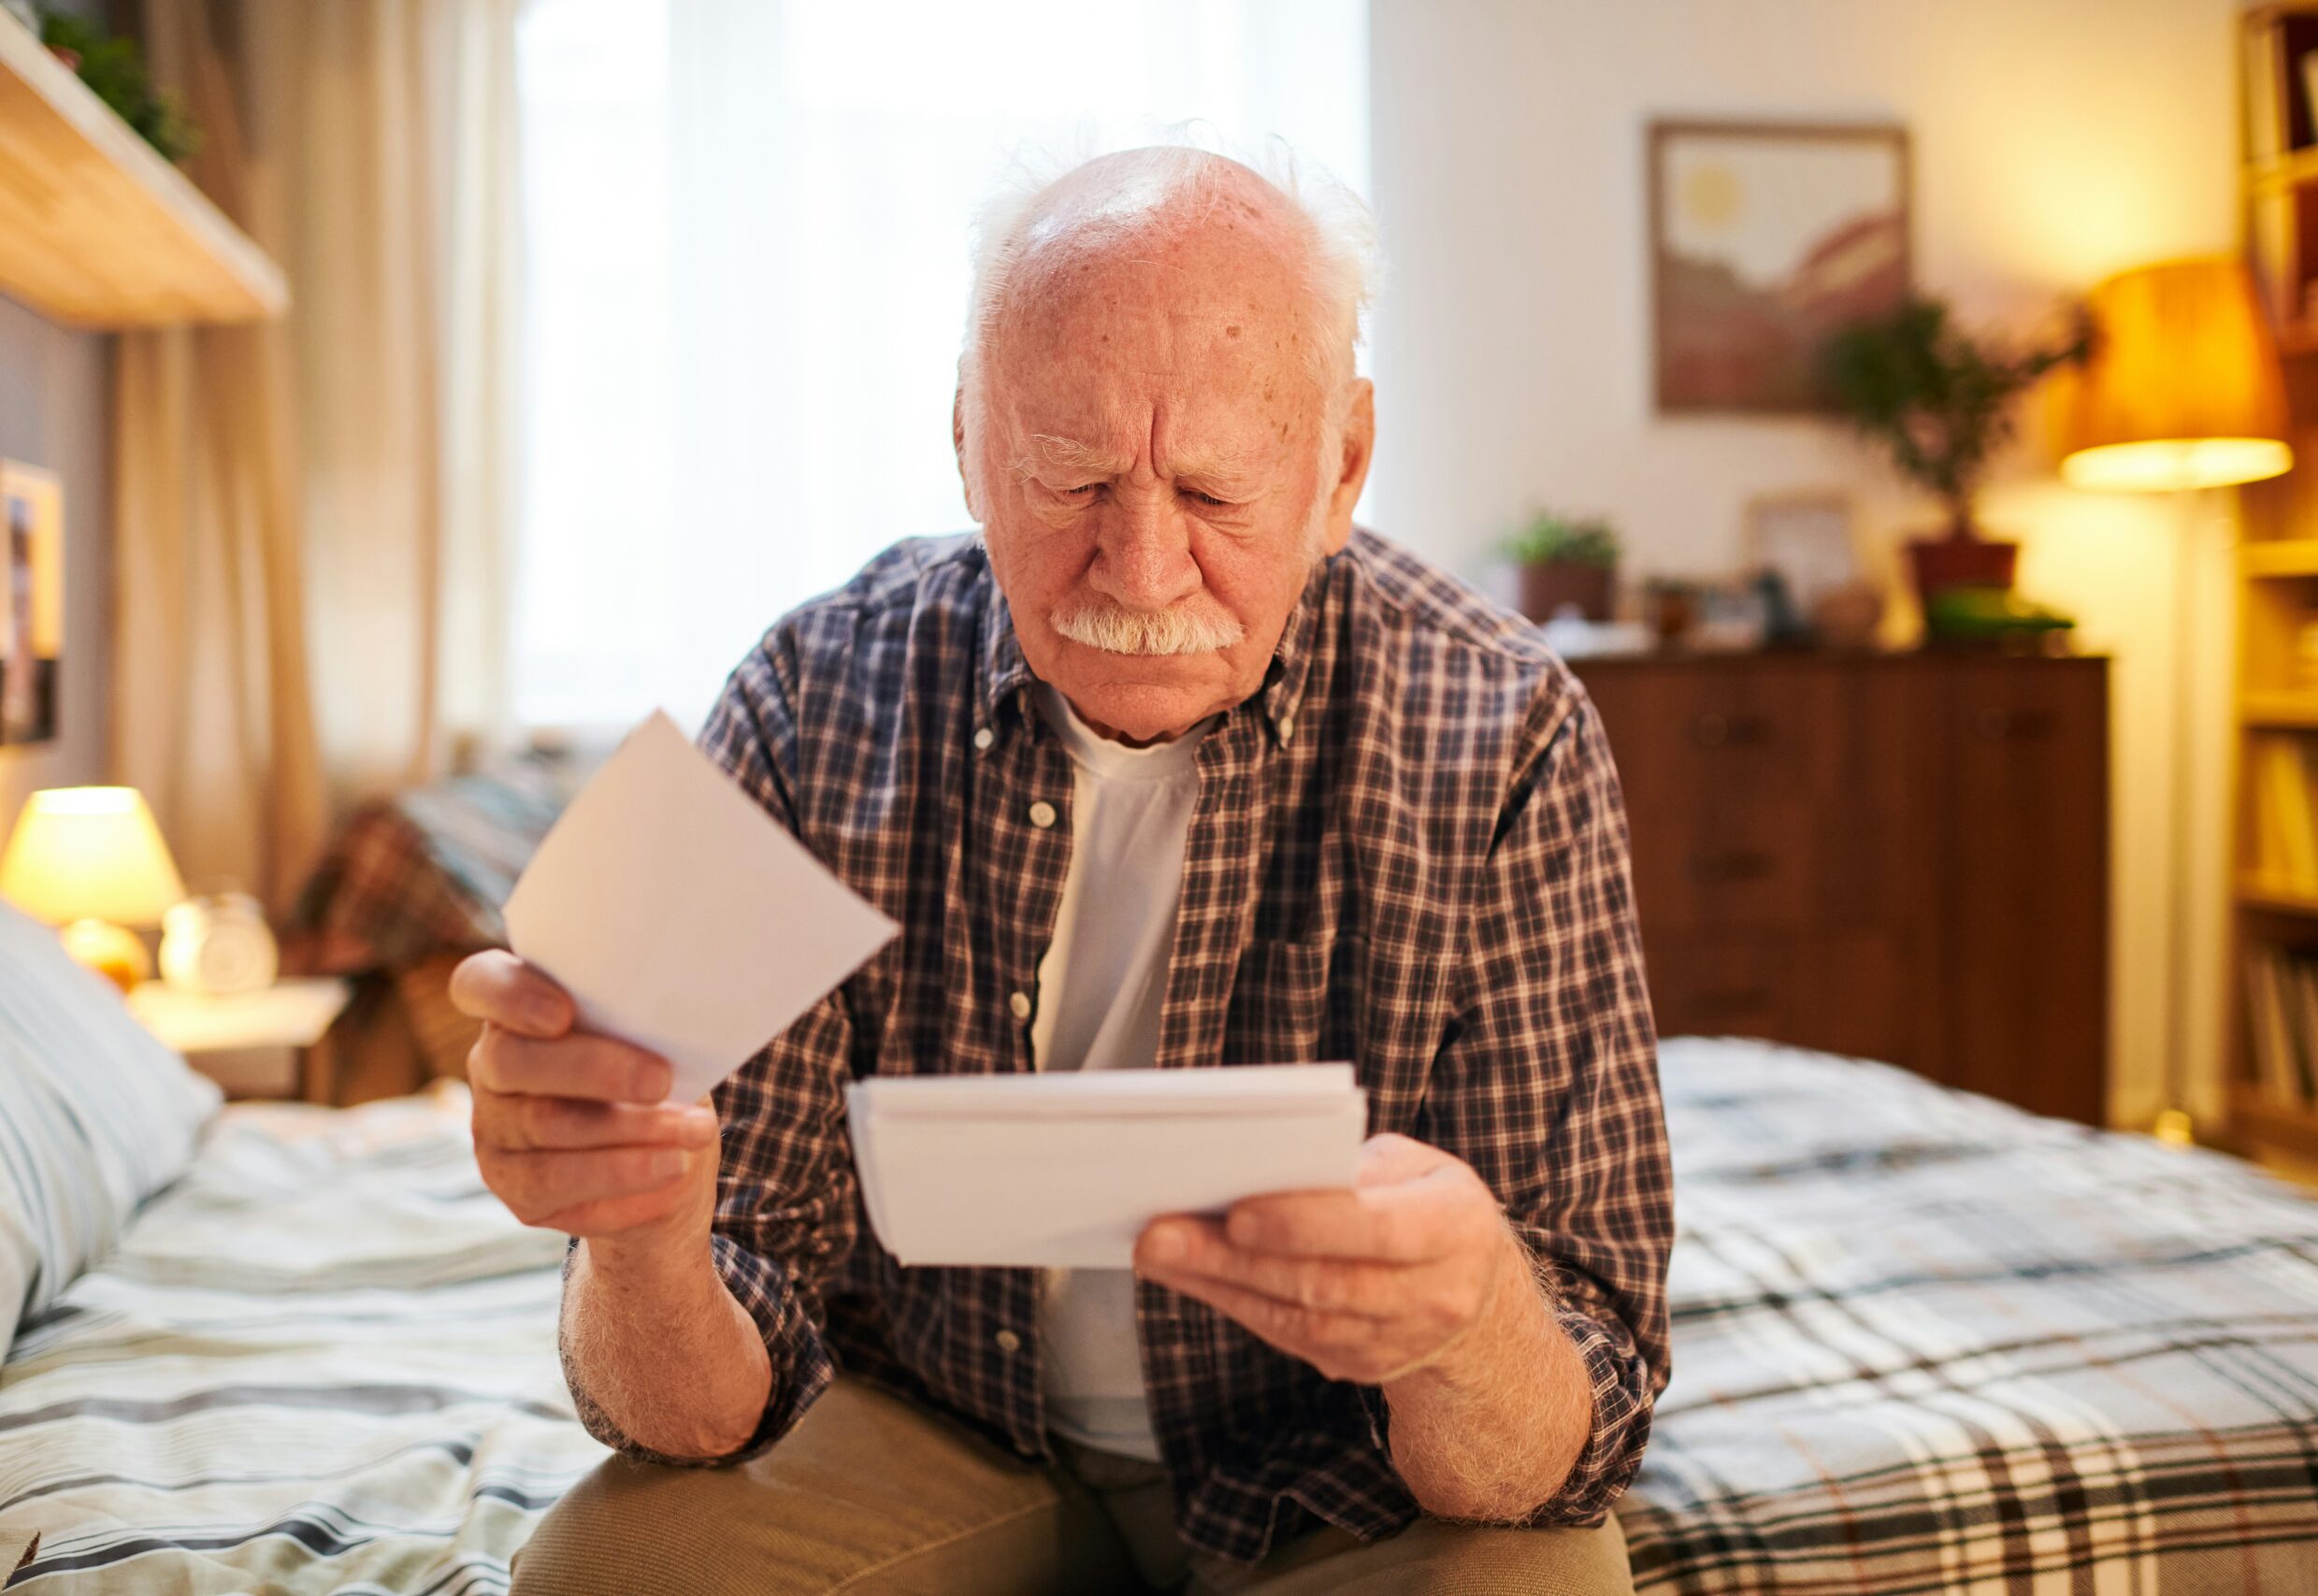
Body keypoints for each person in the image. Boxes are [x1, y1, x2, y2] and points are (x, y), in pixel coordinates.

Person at [462, 144, 1671, 1596]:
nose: (1142, 572)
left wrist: (1468, 1324)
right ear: (967, 442)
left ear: (1342, 465)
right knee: (609, 1576)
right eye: (1068, 476)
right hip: (937, 1423)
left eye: (1215, 491)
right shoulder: (810, 695)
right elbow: (698, 1406)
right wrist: (641, 1242)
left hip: (1344, 1464)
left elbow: (1573, 1418)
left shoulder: (1504, 725)